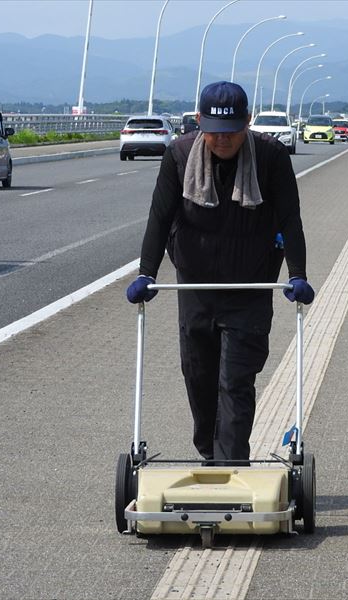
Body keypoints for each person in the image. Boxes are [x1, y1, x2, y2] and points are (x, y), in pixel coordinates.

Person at [125, 81, 314, 463]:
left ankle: (230, 467)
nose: (222, 140)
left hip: (249, 286)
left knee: (235, 381)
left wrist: (298, 274)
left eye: (231, 132)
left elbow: (290, 219)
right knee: (199, 379)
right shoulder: (178, 156)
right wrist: (146, 272)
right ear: (199, 122)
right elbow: (160, 217)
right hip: (197, 285)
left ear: (247, 121)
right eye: (213, 131)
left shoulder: (271, 157)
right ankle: (211, 457)